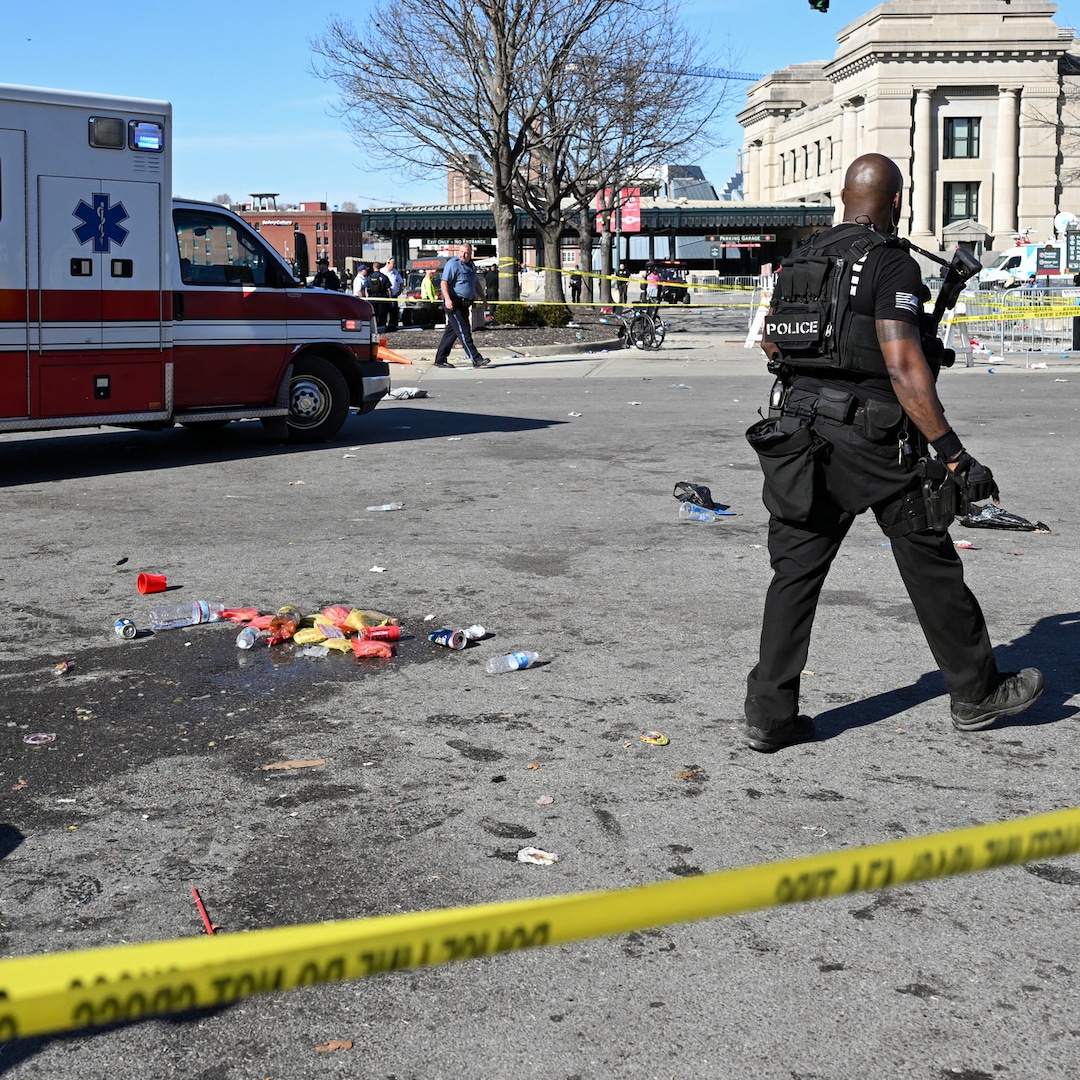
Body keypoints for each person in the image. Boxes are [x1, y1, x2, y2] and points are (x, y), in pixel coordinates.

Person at [743, 152, 1043, 753]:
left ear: (842, 197)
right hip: (877, 447)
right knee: (931, 561)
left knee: (794, 575)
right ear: (897, 202)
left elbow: (773, 345)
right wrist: (955, 455)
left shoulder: (801, 259)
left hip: (798, 438)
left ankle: (769, 716)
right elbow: (906, 369)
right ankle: (975, 693)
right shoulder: (888, 264)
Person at [433, 243, 489, 368]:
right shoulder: (453, 264)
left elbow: (476, 284)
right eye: (462, 252)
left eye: (467, 252)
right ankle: (476, 359)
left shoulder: (471, 266)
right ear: (459, 252)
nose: (464, 255)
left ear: (471, 253)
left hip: (465, 303)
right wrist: (447, 299)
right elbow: (444, 283)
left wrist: (484, 300)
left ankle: (440, 359)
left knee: (452, 332)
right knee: (464, 332)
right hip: (454, 302)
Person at [366, 261, 392, 329]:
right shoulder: (384, 277)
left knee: (374, 315)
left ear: (373, 267)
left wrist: (368, 299)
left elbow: (366, 290)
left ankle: (375, 328)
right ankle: (382, 328)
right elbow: (389, 289)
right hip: (382, 299)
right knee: (382, 316)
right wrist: (390, 300)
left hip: (372, 299)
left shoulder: (369, 277)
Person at [382, 257, 404, 331]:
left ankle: (393, 326)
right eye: (393, 264)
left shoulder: (395, 272)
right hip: (385, 296)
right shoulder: (382, 271)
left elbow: (401, 282)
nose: (394, 265)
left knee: (394, 312)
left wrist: (400, 291)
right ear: (388, 263)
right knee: (384, 312)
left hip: (394, 296)